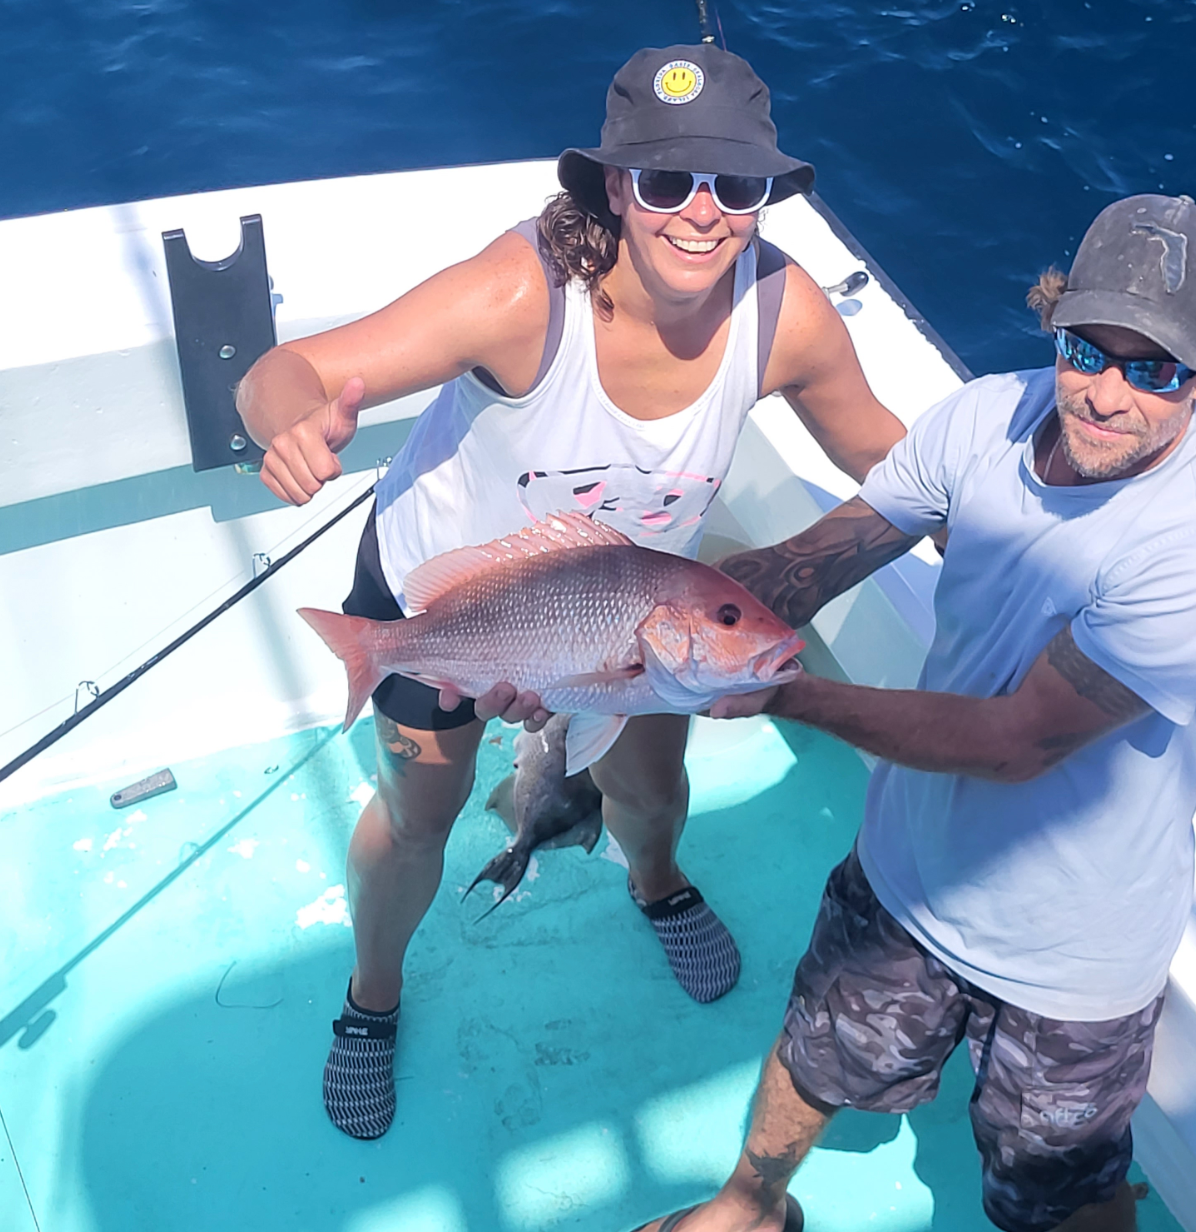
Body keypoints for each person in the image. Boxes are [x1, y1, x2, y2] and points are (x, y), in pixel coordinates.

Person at [236, 42, 906, 1141]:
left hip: (640, 617)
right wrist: (289, 421)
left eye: (735, 186)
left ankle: (656, 883)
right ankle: (371, 996)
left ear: (765, 197)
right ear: (609, 185)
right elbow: (288, 369)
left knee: (650, 787)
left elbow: (893, 452)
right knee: (419, 818)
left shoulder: (782, 312)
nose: (702, 213)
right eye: (665, 181)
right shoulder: (520, 293)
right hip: (440, 600)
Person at [632, 192, 1196, 1232]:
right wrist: (623, 624)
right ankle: (747, 1207)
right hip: (904, 870)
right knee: (813, 1051)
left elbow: (1016, 740)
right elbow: (812, 560)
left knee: (1064, 1187)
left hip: (1071, 951)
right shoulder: (986, 415)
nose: (1105, 393)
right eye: (1085, 349)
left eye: (1153, 368)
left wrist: (787, 690)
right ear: (1052, 325)